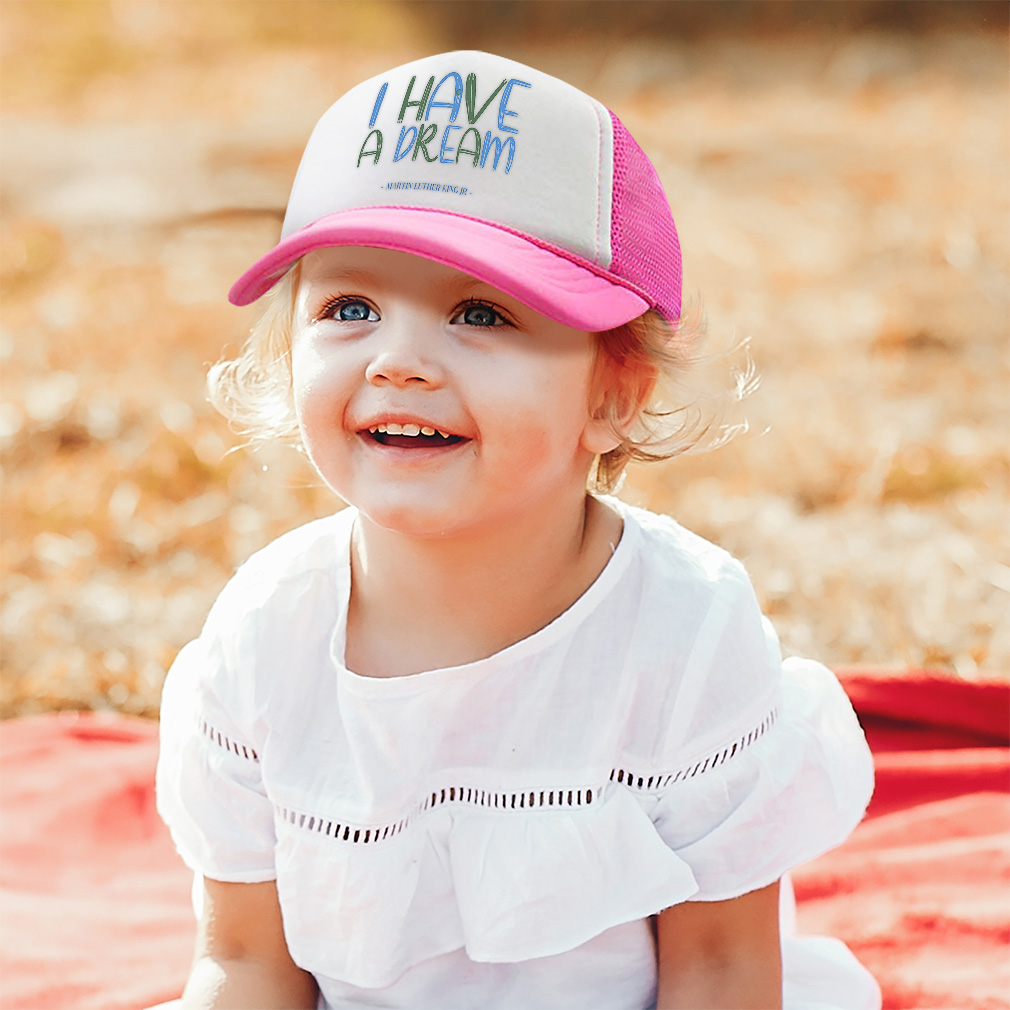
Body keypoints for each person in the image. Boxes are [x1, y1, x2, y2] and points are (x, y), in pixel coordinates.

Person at [155, 50, 881, 1010]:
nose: (400, 359)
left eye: (481, 311)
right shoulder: (263, 639)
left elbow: (719, 969)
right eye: (350, 307)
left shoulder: (685, 631)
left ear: (615, 393)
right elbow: (247, 964)